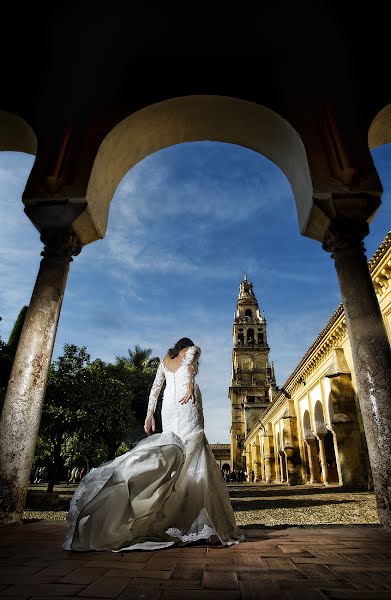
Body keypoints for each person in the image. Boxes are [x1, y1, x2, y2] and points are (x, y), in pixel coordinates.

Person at [63, 338, 244, 552]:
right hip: (187, 403)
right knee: (194, 452)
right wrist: (188, 385)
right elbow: (190, 364)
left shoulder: (165, 360)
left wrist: (149, 414)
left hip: (167, 407)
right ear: (186, 346)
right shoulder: (191, 351)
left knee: (174, 455)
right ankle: (196, 520)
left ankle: (173, 517)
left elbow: (156, 388)